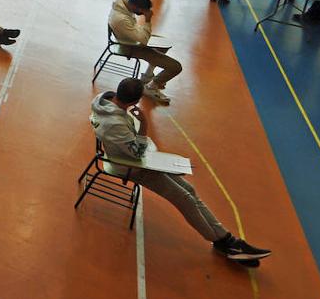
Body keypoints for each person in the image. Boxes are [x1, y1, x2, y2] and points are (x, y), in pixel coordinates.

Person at [91, 78, 271, 262]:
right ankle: (224, 243)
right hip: (130, 167)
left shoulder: (104, 100)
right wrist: (144, 124)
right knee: (184, 198)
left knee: (190, 191)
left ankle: (226, 239)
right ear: (135, 102)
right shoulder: (114, 124)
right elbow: (137, 153)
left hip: (133, 159)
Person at [108, 0, 180, 105]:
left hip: (131, 40)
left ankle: (147, 77)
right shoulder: (121, 19)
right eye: (142, 11)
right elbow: (143, 40)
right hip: (130, 47)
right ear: (136, 6)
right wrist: (147, 20)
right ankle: (151, 87)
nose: (143, 13)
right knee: (175, 67)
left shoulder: (123, 5)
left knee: (163, 46)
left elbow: (138, 33)